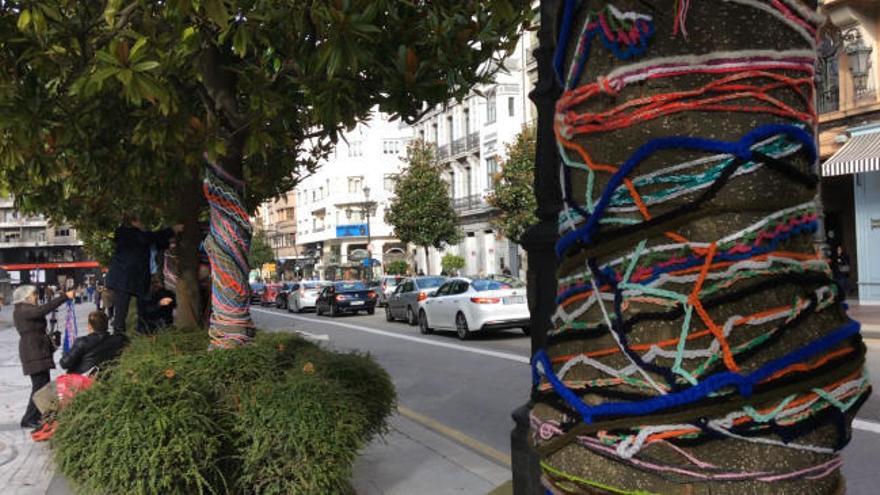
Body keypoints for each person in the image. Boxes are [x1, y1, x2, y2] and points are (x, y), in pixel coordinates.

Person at [13, 285, 74, 429]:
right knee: (39, 386)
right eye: (34, 295)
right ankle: (29, 418)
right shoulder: (23, 309)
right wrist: (64, 297)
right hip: (33, 350)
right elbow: (42, 310)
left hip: (37, 349)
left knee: (43, 385)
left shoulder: (25, 309)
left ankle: (39, 415)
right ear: (26, 297)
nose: (36, 297)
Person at [106, 219, 181, 334]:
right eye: (140, 221)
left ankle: (143, 329)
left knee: (144, 307)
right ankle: (119, 336)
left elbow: (156, 241)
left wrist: (169, 239)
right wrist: (172, 230)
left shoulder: (142, 237)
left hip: (137, 279)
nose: (143, 224)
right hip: (124, 279)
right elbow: (148, 238)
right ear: (133, 222)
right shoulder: (127, 233)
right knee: (122, 310)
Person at [60, 311, 126, 375]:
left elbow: (64, 364)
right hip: (106, 376)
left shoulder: (82, 342)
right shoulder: (118, 340)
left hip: (83, 380)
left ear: (90, 326)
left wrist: (66, 353)